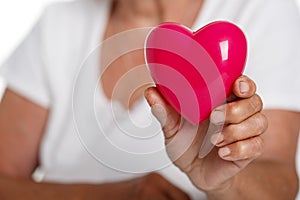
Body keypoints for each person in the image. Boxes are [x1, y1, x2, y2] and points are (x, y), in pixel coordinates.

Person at [0, 0, 299, 199]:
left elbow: (281, 182)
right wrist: (114, 196)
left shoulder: (261, 10)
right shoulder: (61, 18)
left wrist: (226, 182)